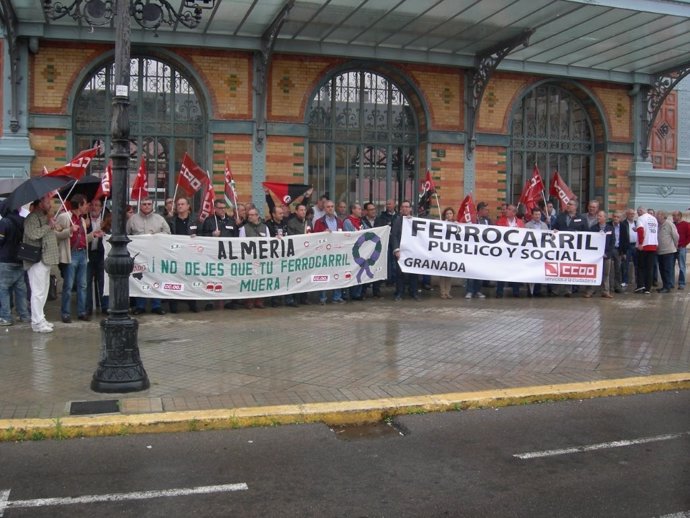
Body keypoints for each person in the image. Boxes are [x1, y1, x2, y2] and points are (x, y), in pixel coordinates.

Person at [23, 193, 59, 333]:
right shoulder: (32, 218)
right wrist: (48, 226)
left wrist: (51, 225)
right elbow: (33, 234)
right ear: (40, 203)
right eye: (47, 200)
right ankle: (36, 322)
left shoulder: (45, 217)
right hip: (37, 259)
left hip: (46, 259)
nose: (50, 203)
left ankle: (41, 318)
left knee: (43, 290)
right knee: (37, 292)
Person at [126, 196, 169, 315]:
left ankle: (157, 305)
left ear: (153, 205)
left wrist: (157, 235)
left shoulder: (159, 219)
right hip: (139, 255)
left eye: (149, 204)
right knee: (140, 278)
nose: (146, 206)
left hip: (156, 255)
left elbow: (168, 233)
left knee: (156, 278)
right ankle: (140, 306)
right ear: (140, 205)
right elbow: (127, 234)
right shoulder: (133, 219)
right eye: (144, 204)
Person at [56, 194, 91, 323]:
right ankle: (65, 313)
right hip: (71, 254)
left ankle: (82, 312)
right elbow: (56, 235)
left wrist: (93, 235)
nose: (87, 206)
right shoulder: (64, 217)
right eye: (85, 204)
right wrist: (69, 230)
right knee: (68, 286)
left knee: (83, 285)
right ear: (80, 205)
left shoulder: (82, 219)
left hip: (82, 254)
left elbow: (83, 239)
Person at [166, 196, 200, 313]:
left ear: (188, 206)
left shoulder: (195, 221)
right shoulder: (170, 221)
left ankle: (192, 303)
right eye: (178, 204)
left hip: (190, 255)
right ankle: (173, 305)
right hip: (175, 254)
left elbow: (203, 236)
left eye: (182, 204)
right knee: (174, 278)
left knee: (190, 278)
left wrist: (198, 238)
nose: (180, 206)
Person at [0, 206, 31, 326]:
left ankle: (6, 317)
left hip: (5, 260)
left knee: (3, 289)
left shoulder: (4, 222)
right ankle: (24, 315)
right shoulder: (23, 221)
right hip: (19, 260)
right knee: (21, 290)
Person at [313, 200, 345, 304]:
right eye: (328, 207)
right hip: (324, 252)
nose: (330, 208)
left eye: (332, 206)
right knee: (324, 274)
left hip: (337, 251)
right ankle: (323, 297)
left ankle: (337, 296)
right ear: (325, 209)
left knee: (338, 274)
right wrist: (322, 233)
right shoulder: (319, 222)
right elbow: (314, 237)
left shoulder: (339, 221)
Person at [239, 207, 268, 309]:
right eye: (249, 215)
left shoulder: (265, 228)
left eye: (252, 215)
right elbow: (241, 243)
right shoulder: (244, 228)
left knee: (261, 279)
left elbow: (268, 242)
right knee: (250, 279)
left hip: (261, 258)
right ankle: (249, 301)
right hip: (249, 259)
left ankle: (259, 300)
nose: (249, 217)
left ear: (257, 216)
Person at [391, 200, 419, 301]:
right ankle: (399, 293)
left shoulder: (416, 220)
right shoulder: (397, 220)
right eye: (403, 207)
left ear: (410, 209)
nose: (405, 208)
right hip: (401, 251)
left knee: (414, 273)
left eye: (407, 207)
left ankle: (414, 292)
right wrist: (396, 250)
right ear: (401, 209)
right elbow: (394, 236)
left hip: (413, 251)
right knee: (400, 273)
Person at [85, 198, 109, 316]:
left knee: (102, 280)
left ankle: (105, 306)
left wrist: (105, 229)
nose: (94, 207)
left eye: (97, 205)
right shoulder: (84, 218)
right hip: (88, 253)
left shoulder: (105, 218)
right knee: (87, 281)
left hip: (101, 253)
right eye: (92, 205)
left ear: (101, 207)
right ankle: (87, 307)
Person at [495, 204, 524, 298]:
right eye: (507, 209)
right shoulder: (500, 221)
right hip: (504, 251)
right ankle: (499, 292)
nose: (506, 211)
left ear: (514, 212)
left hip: (516, 252)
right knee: (501, 271)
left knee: (515, 271)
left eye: (509, 209)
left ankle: (516, 292)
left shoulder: (520, 223)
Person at [584, 210, 615, 299]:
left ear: (605, 218)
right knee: (593, 273)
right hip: (595, 256)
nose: (598, 217)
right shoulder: (593, 228)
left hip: (606, 255)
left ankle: (605, 291)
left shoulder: (610, 229)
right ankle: (590, 291)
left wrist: (608, 253)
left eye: (600, 216)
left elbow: (612, 242)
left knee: (606, 274)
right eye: (598, 216)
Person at [286, 203, 312, 305]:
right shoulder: (291, 223)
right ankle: (291, 299)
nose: (303, 212)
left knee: (305, 275)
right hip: (296, 253)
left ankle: (303, 298)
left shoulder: (308, 222)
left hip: (306, 253)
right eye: (301, 210)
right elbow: (292, 237)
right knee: (293, 276)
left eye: (304, 210)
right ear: (296, 211)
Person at [524, 207, 549, 297]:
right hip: (530, 251)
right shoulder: (527, 225)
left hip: (541, 252)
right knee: (530, 271)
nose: (537, 216)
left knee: (539, 271)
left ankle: (537, 290)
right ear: (532, 215)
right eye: (536, 214)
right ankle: (529, 291)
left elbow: (548, 238)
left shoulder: (544, 226)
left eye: (539, 214)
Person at [633, 206, 658, 295]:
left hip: (644, 246)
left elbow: (640, 230)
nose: (637, 214)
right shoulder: (654, 219)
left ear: (640, 211)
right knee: (650, 268)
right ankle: (648, 288)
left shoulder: (641, 218)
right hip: (653, 245)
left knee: (640, 267)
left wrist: (640, 243)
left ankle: (640, 285)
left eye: (638, 212)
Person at [343, 203, 365, 301]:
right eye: (359, 209)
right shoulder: (348, 222)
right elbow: (349, 236)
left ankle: (357, 293)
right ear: (353, 210)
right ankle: (349, 293)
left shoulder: (361, 221)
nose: (361, 211)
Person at [655, 210, 678, 293]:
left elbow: (675, 236)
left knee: (667, 269)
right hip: (660, 251)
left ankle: (667, 287)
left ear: (663, 216)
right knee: (661, 269)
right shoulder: (658, 225)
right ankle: (664, 285)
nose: (656, 217)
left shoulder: (669, 224)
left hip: (668, 251)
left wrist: (675, 245)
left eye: (658, 215)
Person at [438, 207, 455, 299]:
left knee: (449, 273)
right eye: (447, 213)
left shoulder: (455, 224)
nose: (449, 215)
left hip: (451, 251)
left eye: (451, 213)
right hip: (443, 250)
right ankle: (442, 292)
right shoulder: (442, 224)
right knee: (442, 273)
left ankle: (448, 292)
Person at [620, 208, 637, 289]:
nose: (632, 215)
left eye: (633, 214)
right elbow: (622, 237)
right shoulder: (623, 224)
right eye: (630, 214)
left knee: (638, 264)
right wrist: (623, 251)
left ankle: (638, 281)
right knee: (625, 264)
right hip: (627, 246)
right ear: (627, 214)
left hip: (636, 246)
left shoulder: (637, 223)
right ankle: (624, 281)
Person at [672, 210, 688, 290]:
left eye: (675, 215)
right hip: (672, 248)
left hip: (681, 248)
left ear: (679, 216)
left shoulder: (686, 224)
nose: (673, 217)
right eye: (673, 216)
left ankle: (681, 283)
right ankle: (670, 283)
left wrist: (683, 244)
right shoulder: (672, 225)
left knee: (682, 266)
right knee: (670, 266)